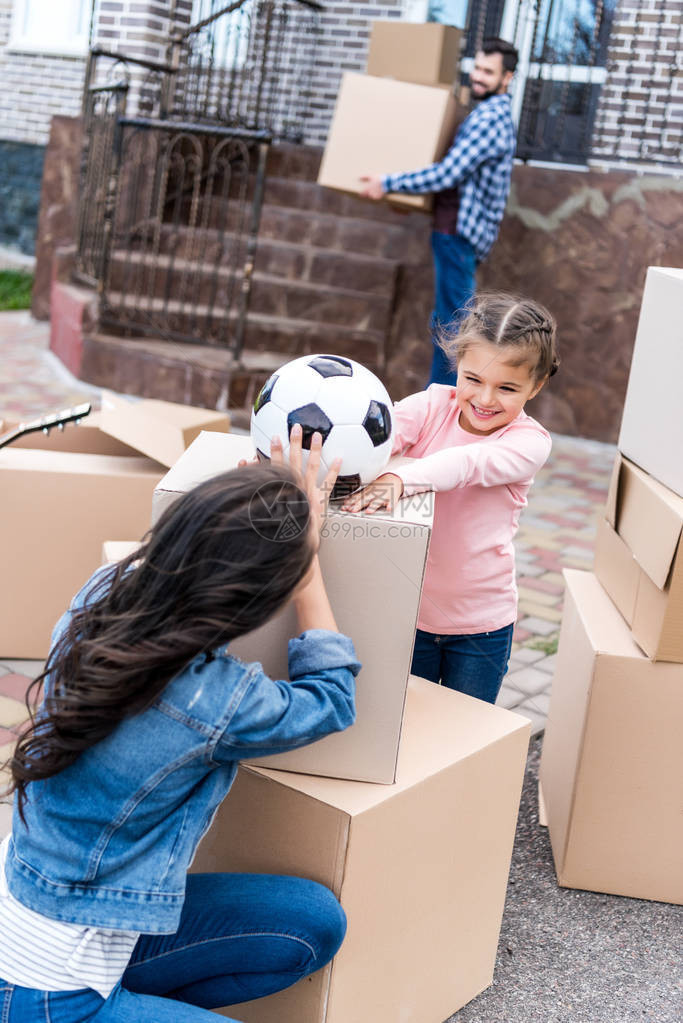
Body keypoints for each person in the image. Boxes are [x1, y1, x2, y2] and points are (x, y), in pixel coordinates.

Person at [0, 427, 361, 1022]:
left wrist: (251, 500)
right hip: (44, 990)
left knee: (311, 924)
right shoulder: (212, 700)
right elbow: (329, 699)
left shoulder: (105, 595)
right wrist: (307, 565)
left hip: (86, 921)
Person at [342, 293, 558, 705]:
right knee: (405, 731)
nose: (485, 399)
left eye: (507, 387)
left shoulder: (529, 443)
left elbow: (467, 463)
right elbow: (374, 436)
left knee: (465, 736)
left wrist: (400, 479)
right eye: (473, 379)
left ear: (536, 386)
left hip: (481, 628)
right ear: (457, 365)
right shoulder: (431, 406)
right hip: (406, 615)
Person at [361, 37, 519, 387]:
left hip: (457, 236)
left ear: (507, 78)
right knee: (450, 322)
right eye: (476, 68)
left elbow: (448, 173)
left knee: (454, 329)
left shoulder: (489, 119)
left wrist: (388, 182)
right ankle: (440, 403)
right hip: (456, 232)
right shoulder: (490, 114)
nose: (477, 76)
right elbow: (462, 181)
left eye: (488, 72)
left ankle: (441, 408)